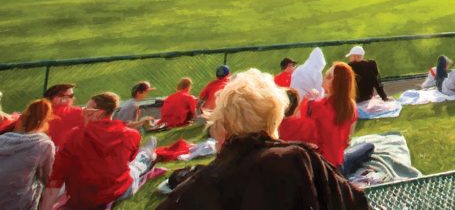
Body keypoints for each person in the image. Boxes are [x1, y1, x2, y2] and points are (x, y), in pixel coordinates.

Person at [156, 69, 367, 209]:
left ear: (222, 125)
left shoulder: (197, 188)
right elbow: (356, 203)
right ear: (275, 117)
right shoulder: (301, 159)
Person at [41, 92, 156, 209]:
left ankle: (147, 154)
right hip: (117, 190)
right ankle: (147, 154)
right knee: (135, 166)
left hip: (90, 196)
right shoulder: (131, 134)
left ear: (99, 113)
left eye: (87, 109)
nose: (83, 112)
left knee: (136, 166)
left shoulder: (74, 135)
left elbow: (57, 175)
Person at [307, 62, 375, 178]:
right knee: (368, 146)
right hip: (337, 166)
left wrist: (311, 101)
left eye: (328, 77)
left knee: (365, 148)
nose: (324, 78)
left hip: (319, 167)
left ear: (337, 83)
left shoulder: (315, 106)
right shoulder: (351, 106)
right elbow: (347, 140)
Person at [0, 99, 55, 210]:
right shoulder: (43, 144)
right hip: (19, 201)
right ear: (46, 120)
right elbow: (47, 177)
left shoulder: (3, 138)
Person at [41, 84, 83, 151]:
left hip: (64, 151)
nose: (66, 99)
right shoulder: (39, 112)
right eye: (61, 95)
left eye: (71, 96)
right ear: (50, 97)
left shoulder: (78, 113)